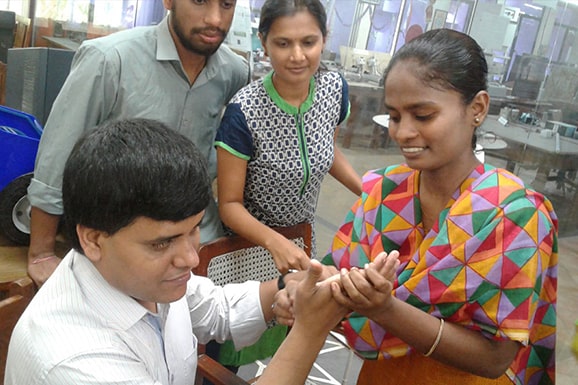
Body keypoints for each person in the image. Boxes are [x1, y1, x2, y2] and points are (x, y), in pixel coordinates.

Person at [4, 118, 362, 385]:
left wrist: (289, 292)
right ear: (94, 240)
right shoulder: (76, 362)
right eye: (163, 242)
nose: (191, 259)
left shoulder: (136, 277)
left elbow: (214, 307)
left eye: (193, 231)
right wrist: (311, 330)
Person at [318, 29, 558, 385]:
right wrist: (309, 290)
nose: (402, 133)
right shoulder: (385, 191)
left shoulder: (514, 215)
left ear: (477, 108)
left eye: (424, 115)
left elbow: (495, 359)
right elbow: (339, 277)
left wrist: (386, 309)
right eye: (395, 116)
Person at [26, 0, 249, 287]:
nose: (215, 19)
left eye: (227, 5)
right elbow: (58, 156)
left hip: (200, 245)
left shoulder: (234, 72)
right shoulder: (109, 59)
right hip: (123, 246)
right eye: (199, 1)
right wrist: (41, 252)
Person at [215, 0, 362, 274]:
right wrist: (275, 242)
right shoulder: (244, 111)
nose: (297, 56)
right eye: (283, 44)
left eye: (308, 42)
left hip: (303, 236)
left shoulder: (333, 90)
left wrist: (368, 191)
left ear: (324, 39)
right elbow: (229, 205)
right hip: (249, 245)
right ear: (263, 42)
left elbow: (325, 150)